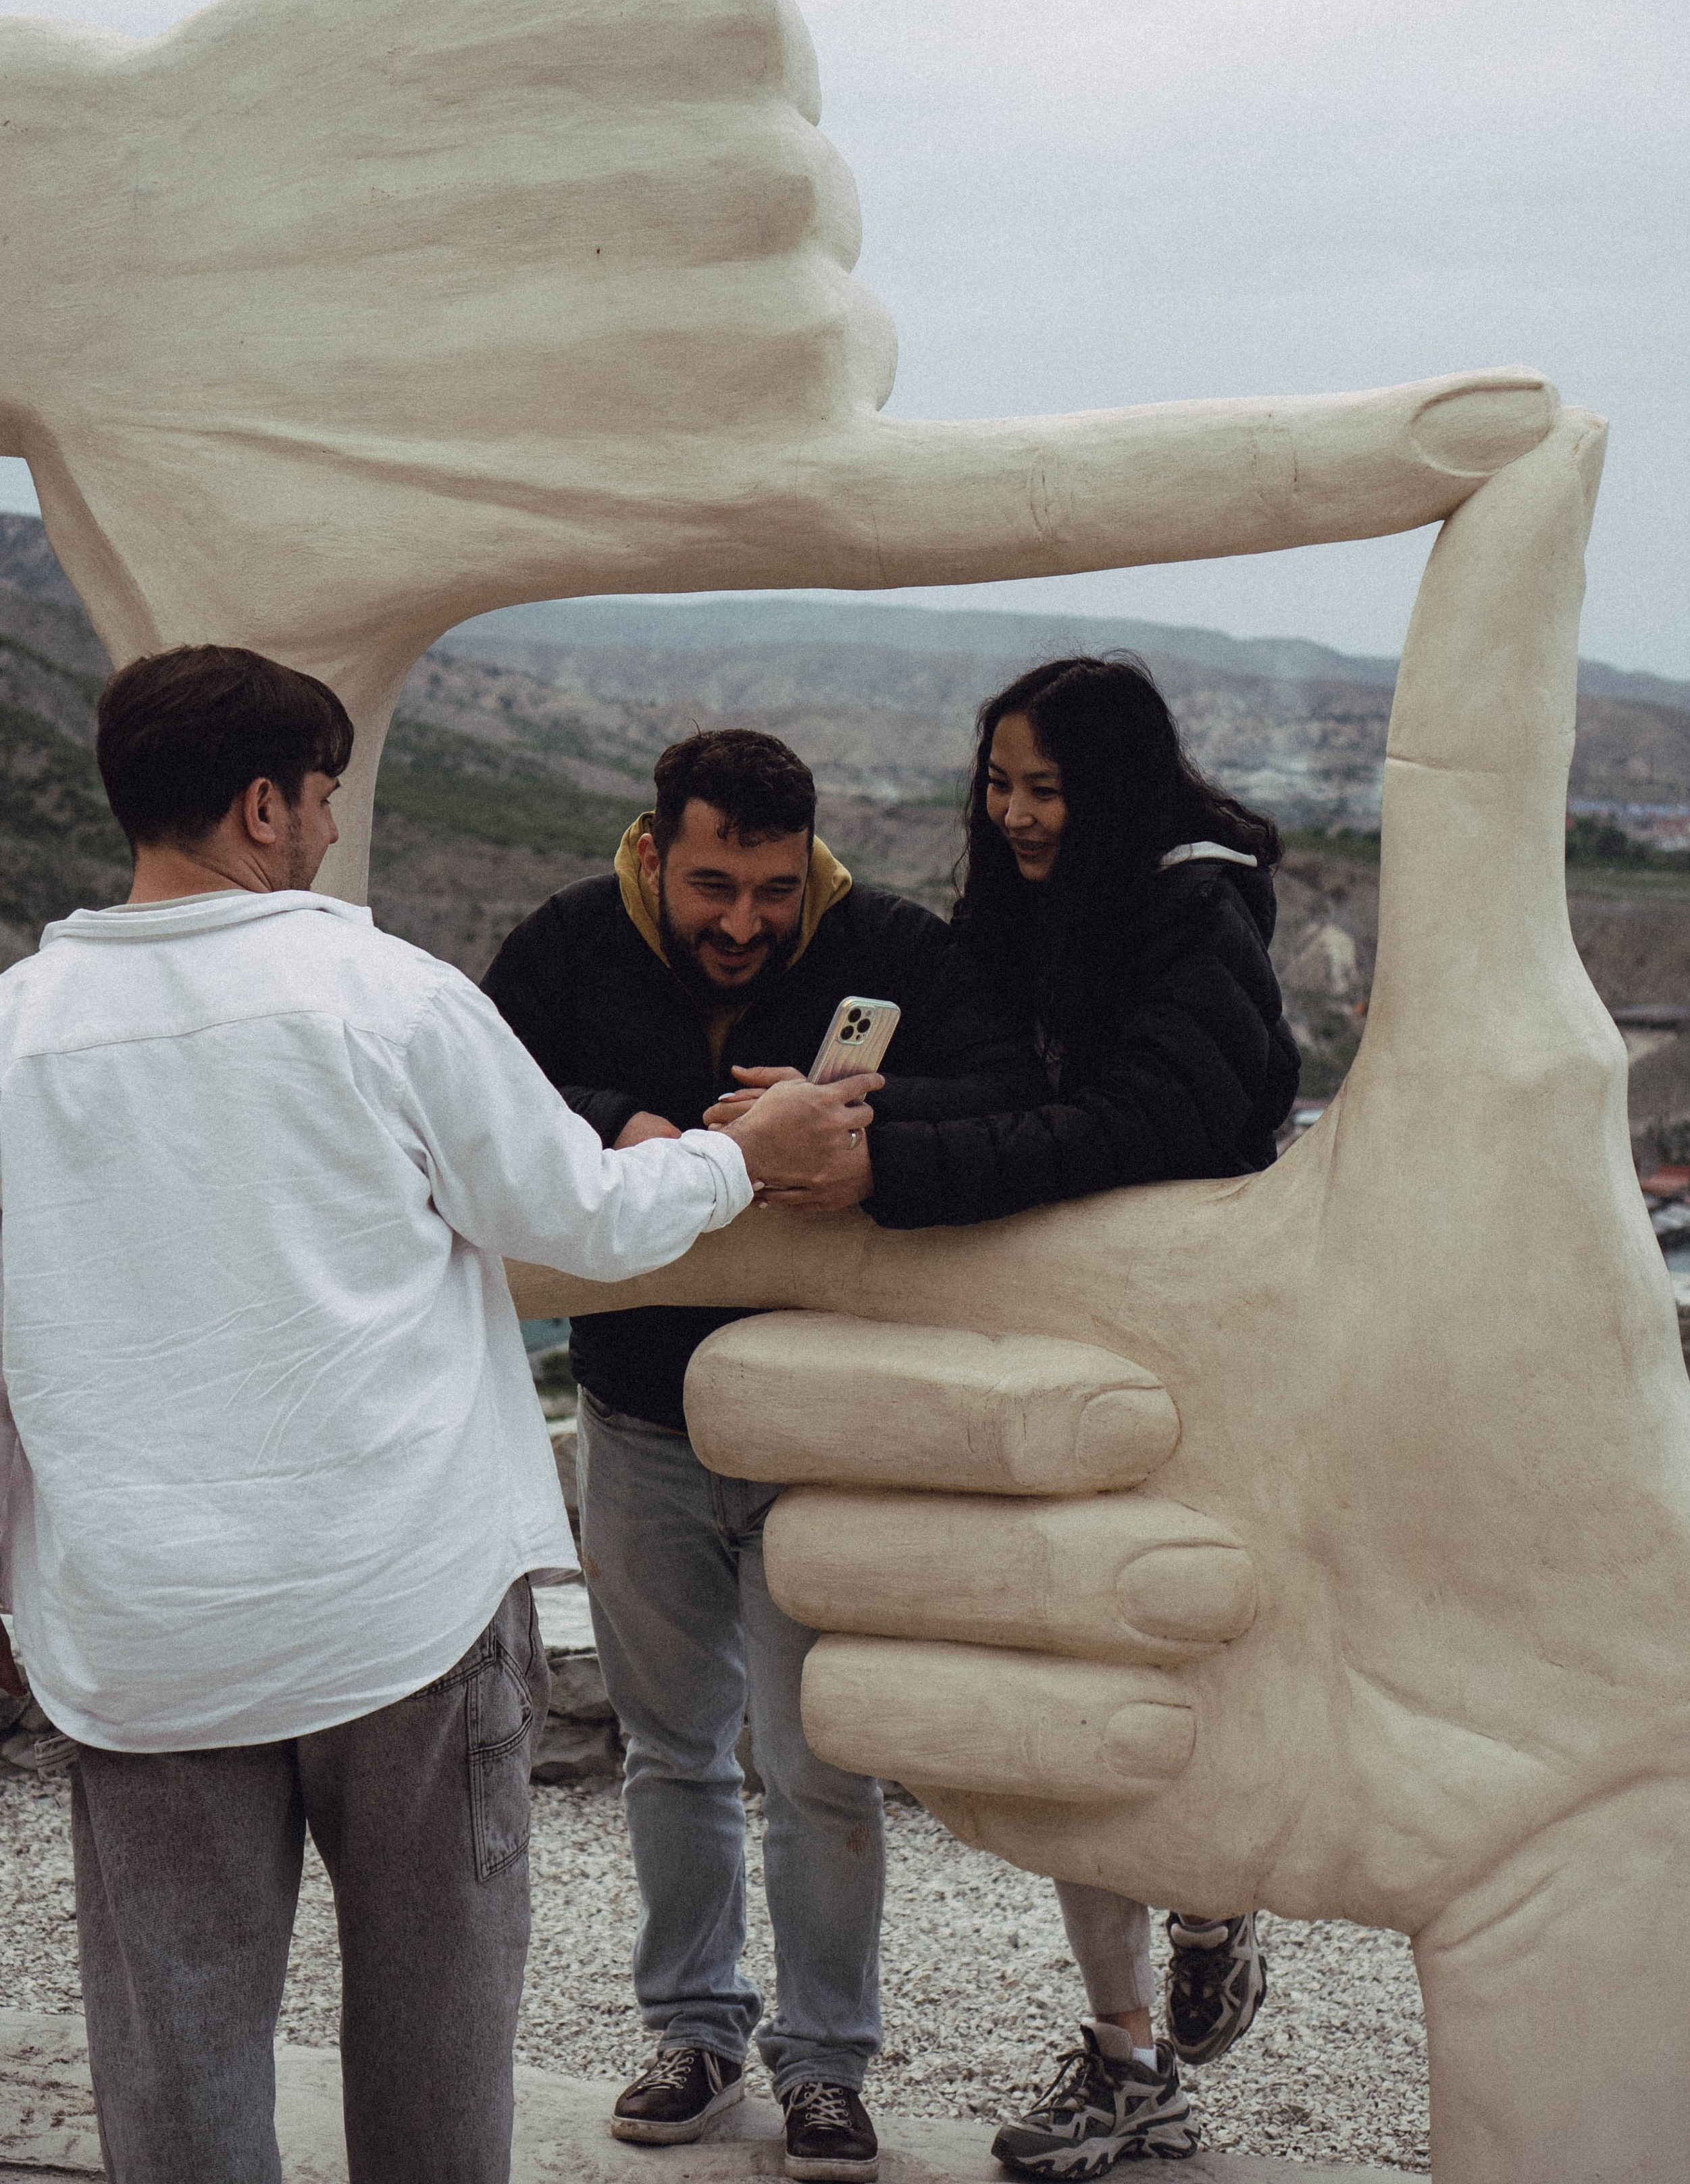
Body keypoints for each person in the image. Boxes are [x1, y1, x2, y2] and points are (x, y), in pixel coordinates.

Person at [0, 649, 868, 2184]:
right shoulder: (379, 994)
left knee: (178, 2055)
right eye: (324, 795)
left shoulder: (14, 1035)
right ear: (264, 805)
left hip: (140, 1629)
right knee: (434, 2037)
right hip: (396, 1608)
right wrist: (755, 1151)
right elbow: (583, 1215)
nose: (331, 828)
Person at [711, 657, 1299, 2175]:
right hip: (1055, 1344)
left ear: (1118, 785)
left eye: (1047, 789)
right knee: (1060, 1703)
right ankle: (1127, 2055)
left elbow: (1143, 1128)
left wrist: (886, 1170)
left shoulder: (1190, 913)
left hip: (1187, 1354)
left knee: (1183, 1662)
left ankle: (1210, 1890)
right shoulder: (1036, 908)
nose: (1018, 816)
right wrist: (851, 1116)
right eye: (1000, 784)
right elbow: (1015, 1092)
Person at [480, 728, 1046, 2183]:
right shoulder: (558, 946)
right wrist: (633, 1126)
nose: (744, 922)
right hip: (635, 1415)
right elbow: (482, 1106)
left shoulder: (895, 945)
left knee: (818, 1765)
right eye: (714, 885)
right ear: (654, 851)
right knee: (669, 1754)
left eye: (774, 892)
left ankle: (822, 2064)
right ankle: (689, 2031)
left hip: (828, 1430)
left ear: (814, 870)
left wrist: (848, 1117)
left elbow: (1009, 1095)